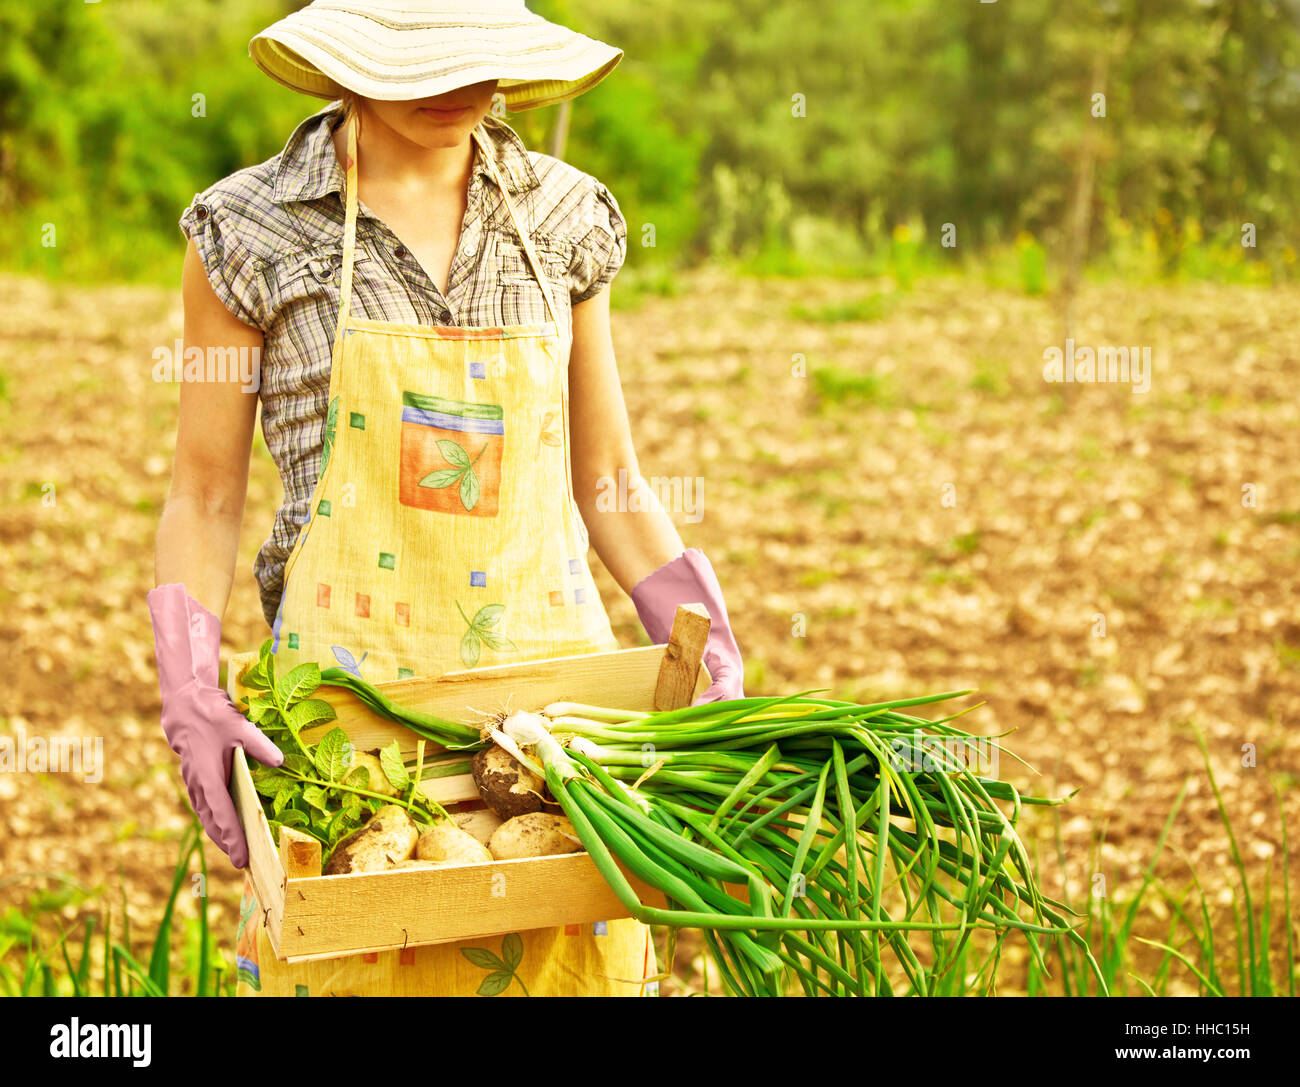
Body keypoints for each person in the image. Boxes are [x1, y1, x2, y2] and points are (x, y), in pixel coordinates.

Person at [147, 0, 746, 996]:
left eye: (480, 60)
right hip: (349, 737)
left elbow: (606, 477)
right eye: (422, 64)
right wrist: (188, 683)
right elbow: (205, 493)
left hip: (554, 745)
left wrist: (699, 634)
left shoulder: (562, 216)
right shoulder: (246, 229)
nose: (460, 88)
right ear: (349, 56)